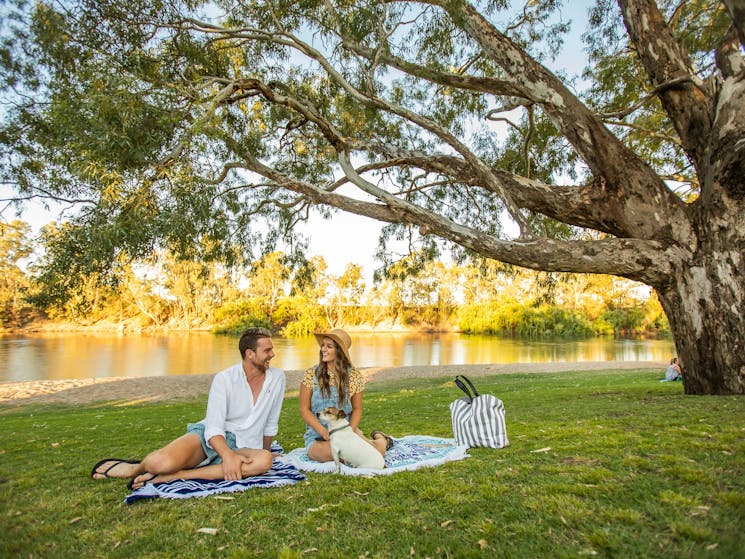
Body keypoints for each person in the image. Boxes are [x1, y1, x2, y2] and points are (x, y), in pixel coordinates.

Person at [90, 327, 286, 489]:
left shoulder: (277, 378)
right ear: (249, 354)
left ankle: (177, 476)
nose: (273, 354)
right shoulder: (225, 380)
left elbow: (270, 423)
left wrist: (265, 450)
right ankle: (136, 468)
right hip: (213, 438)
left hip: (246, 444)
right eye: (267, 351)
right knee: (161, 463)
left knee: (264, 461)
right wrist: (227, 455)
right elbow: (214, 428)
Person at [299, 328, 393, 463]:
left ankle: (382, 439)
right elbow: (304, 409)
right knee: (331, 452)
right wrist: (324, 432)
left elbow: (357, 409)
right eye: (323, 345)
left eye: (329, 346)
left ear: (340, 352)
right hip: (317, 435)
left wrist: (350, 432)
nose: (323, 349)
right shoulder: (311, 374)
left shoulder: (354, 376)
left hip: (347, 431)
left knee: (376, 454)